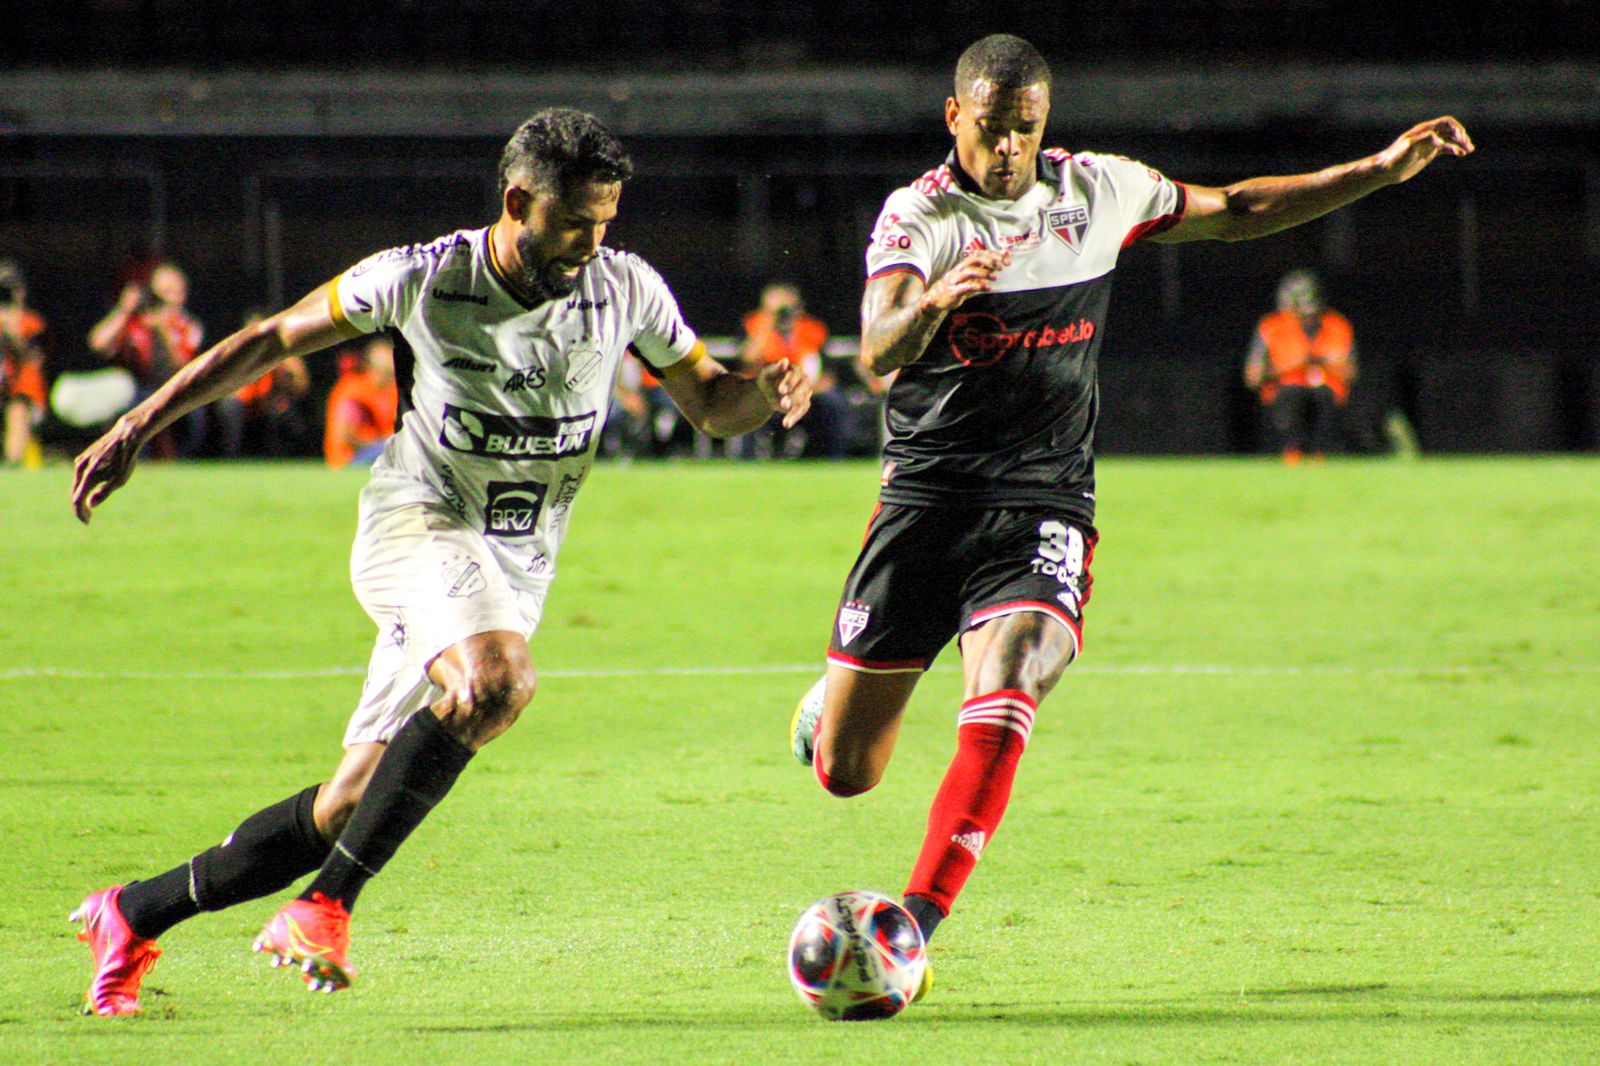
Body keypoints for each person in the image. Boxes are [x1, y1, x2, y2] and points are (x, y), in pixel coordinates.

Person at [67, 107, 810, 1016]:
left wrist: (765, 395)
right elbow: (270, 341)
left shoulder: (628, 290)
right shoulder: (424, 278)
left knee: (350, 807)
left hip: (513, 569)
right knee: (497, 683)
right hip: (418, 524)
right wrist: (138, 424)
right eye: (576, 222)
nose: (592, 242)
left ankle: (130, 913)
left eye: (607, 221)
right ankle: (324, 909)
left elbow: (709, 405)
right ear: (517, 201)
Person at [789, 33, 1471, 1000]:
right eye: (990, 131)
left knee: (1017, 673)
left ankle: (916, 926)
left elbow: (1237, 209)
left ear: (1045, 123)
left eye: (1025, 131)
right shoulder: (921, 214)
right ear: (955, 119)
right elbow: (877, 348)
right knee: (846, 773)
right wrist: (936, 300)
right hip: (926, 503)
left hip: (1042, 500)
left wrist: (1377, 169)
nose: (1008, 150)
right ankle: (828, 716)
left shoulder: (1097, 191)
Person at [87, 261, 205, 457]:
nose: (174, 299)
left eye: (178, 291)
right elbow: (98, 343)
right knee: (129, 397)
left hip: (173, 391)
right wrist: (125, 309)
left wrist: (162, 328)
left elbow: (182, 365)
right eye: (167, 292)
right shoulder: (133, 321)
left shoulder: (187, 326)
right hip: (136, 390)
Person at [1244, 269, 1357, 463]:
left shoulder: (1337, 325)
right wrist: (1293, 365)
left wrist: (1324, 362)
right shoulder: (1272, 326)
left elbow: (1350, 374)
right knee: (1292, 394)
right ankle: (1292, 452)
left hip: (1327, 391)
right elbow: (1253, 378)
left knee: (1324, 395)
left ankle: (1320, 454)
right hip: (1285, 391)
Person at [736, 282, 851, 458]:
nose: (784, 314)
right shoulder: (753, 325)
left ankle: (830, 459)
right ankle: (745, 461)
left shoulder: (812, 329)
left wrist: (806, 389)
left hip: (805, 392)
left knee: (833, 401)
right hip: (765, 392)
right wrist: (769, 324)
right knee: (746, 402)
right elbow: (748, 362)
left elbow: (826, 373)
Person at [217, 309, 312, 458]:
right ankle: (231, 456)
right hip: (246, 402)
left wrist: (285, 375)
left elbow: (302, 387)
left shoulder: (283, 353)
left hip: (271, 403)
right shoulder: (237, 354)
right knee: (230, 406)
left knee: (288, 415)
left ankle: (289, 457)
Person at [0, 260, 49, 468]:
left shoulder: (29, 322)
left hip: (17, 392)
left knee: (18, 407)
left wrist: (13, 333)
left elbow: (35, 358)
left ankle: (13, 465)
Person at [323, 336, 397, 467]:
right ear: (371, 368)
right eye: (386, 372)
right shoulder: (354, 390)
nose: (391, 378)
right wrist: (384, 442)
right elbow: (346, 436)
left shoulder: (392, 391)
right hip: (351, 458)